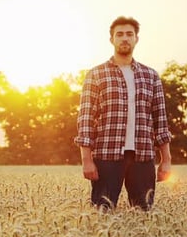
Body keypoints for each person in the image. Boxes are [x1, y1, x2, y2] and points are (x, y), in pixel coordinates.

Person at [74, 16, 173, 211]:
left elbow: (160, 119)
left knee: (144, 214)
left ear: (137, 39)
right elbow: (86, 119)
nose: (124, 38)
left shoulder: (151, 75)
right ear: (111, 39)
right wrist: (86, 160)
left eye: (129, 34)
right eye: (119, 34)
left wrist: (166, 160)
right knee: (102, 213)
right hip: (106, 155)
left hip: (143, 155)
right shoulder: (96, 74)